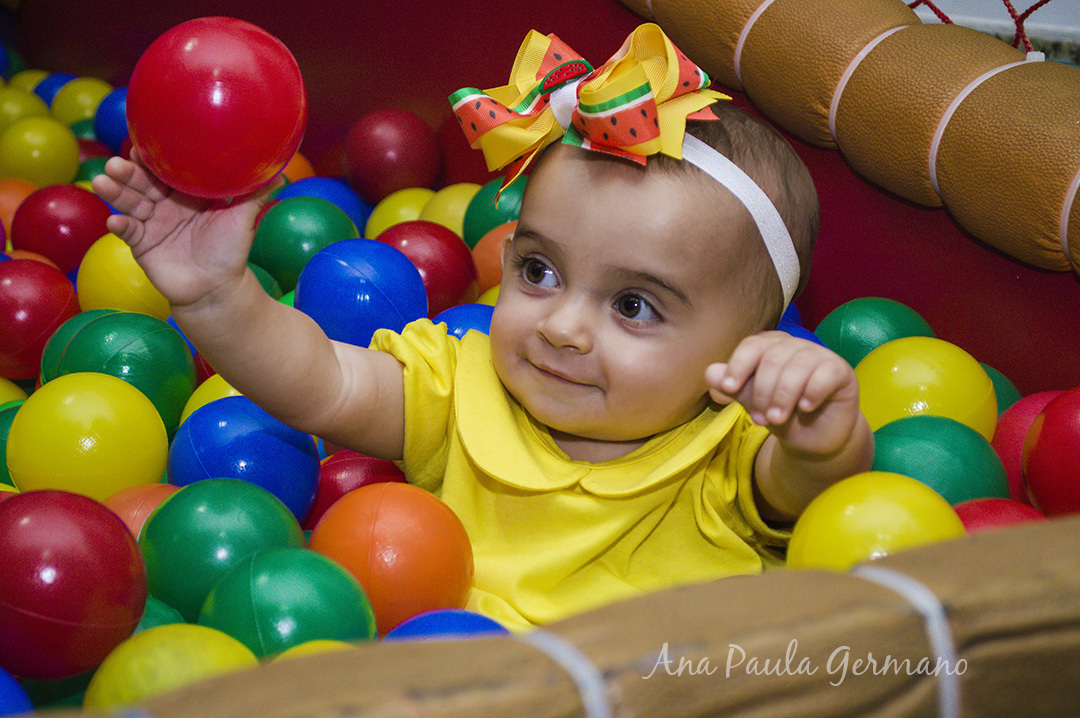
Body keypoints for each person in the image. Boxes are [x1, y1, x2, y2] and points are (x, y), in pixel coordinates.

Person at [93, 24, 872, 631]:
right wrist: (216, 297)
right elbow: (323, 382)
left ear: (742, 352)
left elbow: (812, 487)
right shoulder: (462, 386)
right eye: (539, 271)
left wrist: (819, 432)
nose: (561, 326)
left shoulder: (731, 452)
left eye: (633, 306)